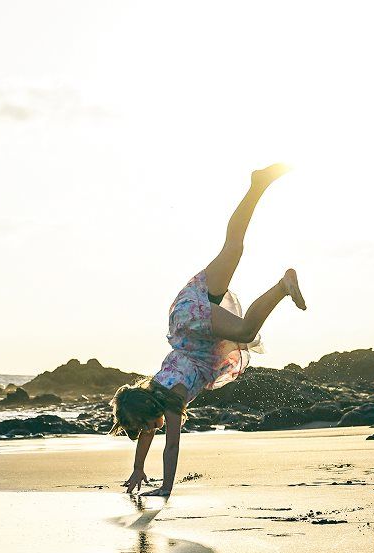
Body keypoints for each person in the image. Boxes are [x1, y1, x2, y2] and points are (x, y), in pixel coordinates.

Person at [112, 164, 305, 497]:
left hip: (192, 324)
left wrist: (165, 490)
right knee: (234, 249)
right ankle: (258, 185)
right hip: (191, 324)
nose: (145, 433)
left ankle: (282, 286)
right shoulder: (158, 395)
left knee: (245, 331)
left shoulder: (171, 399)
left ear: (146, 413)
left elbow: (171, 448)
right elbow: (148, 438)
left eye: (141, 426)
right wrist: (138, 468)